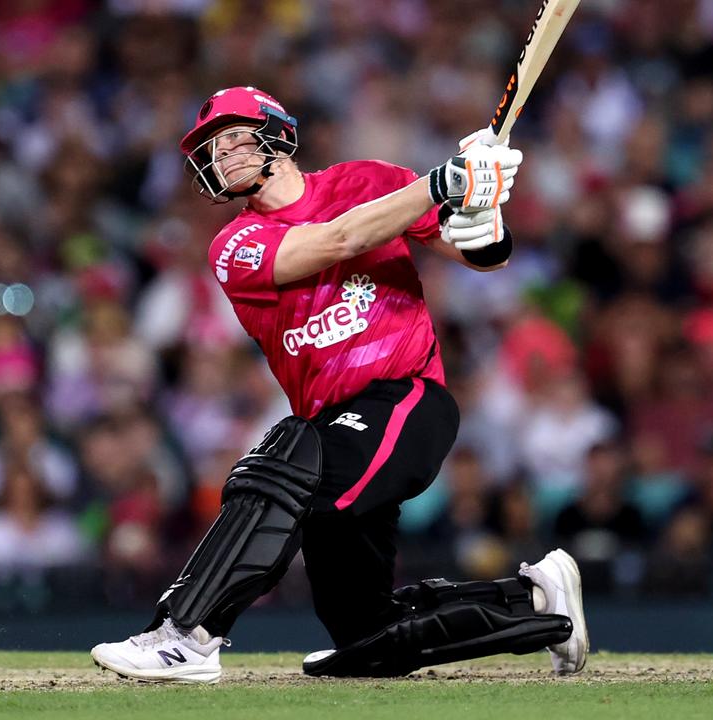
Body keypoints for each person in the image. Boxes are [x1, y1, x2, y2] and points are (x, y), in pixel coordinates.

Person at [90, 86, 588, 682]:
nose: (221, 156)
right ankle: (534, 597)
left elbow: (482, 256)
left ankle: (187, 635)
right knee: (363, 630)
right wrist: (439, 185)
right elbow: (337, 241)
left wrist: (482, 208)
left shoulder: (371, 179)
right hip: (337, 425)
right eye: (211, 149)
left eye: (232, 138)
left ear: (277, 133)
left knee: (289, 456)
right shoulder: (234, 245)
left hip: (404, 399)